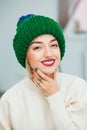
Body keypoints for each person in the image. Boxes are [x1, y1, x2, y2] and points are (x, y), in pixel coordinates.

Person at [0, 14, 87, 130]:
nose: (49, 54)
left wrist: (53, 95)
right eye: (37, 47)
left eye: (53, 45)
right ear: (26, 56)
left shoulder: (77, 87)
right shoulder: (9, 100)